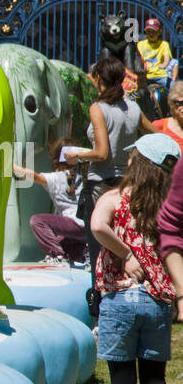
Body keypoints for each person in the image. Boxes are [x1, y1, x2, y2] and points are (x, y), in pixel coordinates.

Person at [89, 134, 183, 384]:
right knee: (155, 379)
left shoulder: (115, 197)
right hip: (159, 301)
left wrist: (125, 253)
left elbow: (98, 225)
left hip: (121, 297)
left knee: (122, 380)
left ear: (139, 162)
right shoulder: (170, 207)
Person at [70, 57, 157, 304]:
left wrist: (76, 155)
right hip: (127, 187)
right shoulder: (132, 108)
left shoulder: (98, 108)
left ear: (98, 78)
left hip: (100, 187)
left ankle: (102, 310)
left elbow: (101, 153)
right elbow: (155, 135)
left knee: (99, 252)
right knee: (129, 245)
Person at [13, 137, 88, 265]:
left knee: (37, 221)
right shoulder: (83, 176)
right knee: (59, 239)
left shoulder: (56, 178)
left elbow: (34, 176)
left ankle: (56, 255)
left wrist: (10, 165)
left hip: (74, 224)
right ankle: (82, 254)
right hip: (87, 229)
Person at [137, 17, 176, 118]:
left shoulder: (164, 44)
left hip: (159, 75)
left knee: (174, 87)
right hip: (145, 76)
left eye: (153, 31)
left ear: (159, 32)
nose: (151, 34)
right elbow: (138, 59)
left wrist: (164, 65)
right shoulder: (140, 44)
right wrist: (142, 67)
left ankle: (173, 111)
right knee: (134, 92)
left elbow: (167, 58)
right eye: (148, 31)